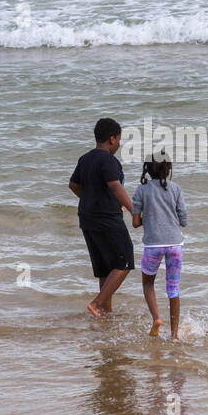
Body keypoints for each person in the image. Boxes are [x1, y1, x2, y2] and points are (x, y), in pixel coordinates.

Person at [70, 117, 136, 318]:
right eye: (119, 140)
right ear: (112, 139)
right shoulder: (108, 159)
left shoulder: (85, 158)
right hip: (107, 218)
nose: (118, 144)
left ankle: (106, 312)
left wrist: (91, 199)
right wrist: (134, 210)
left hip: (87, 218)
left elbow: (73, 185)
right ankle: (98, 304)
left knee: (105, 268)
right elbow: (115, 185)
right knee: (125, 261)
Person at [131, 152, 188, 339]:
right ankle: (175, 335)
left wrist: (149, 218)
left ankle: (156, 318)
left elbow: (136, 223)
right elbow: (184, 220)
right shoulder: (176, 189)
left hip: (153, 245)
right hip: (175, 244)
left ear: (147, 169)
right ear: (169, 169)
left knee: (148, 283)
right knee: (173, 288)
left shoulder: (142, 190)